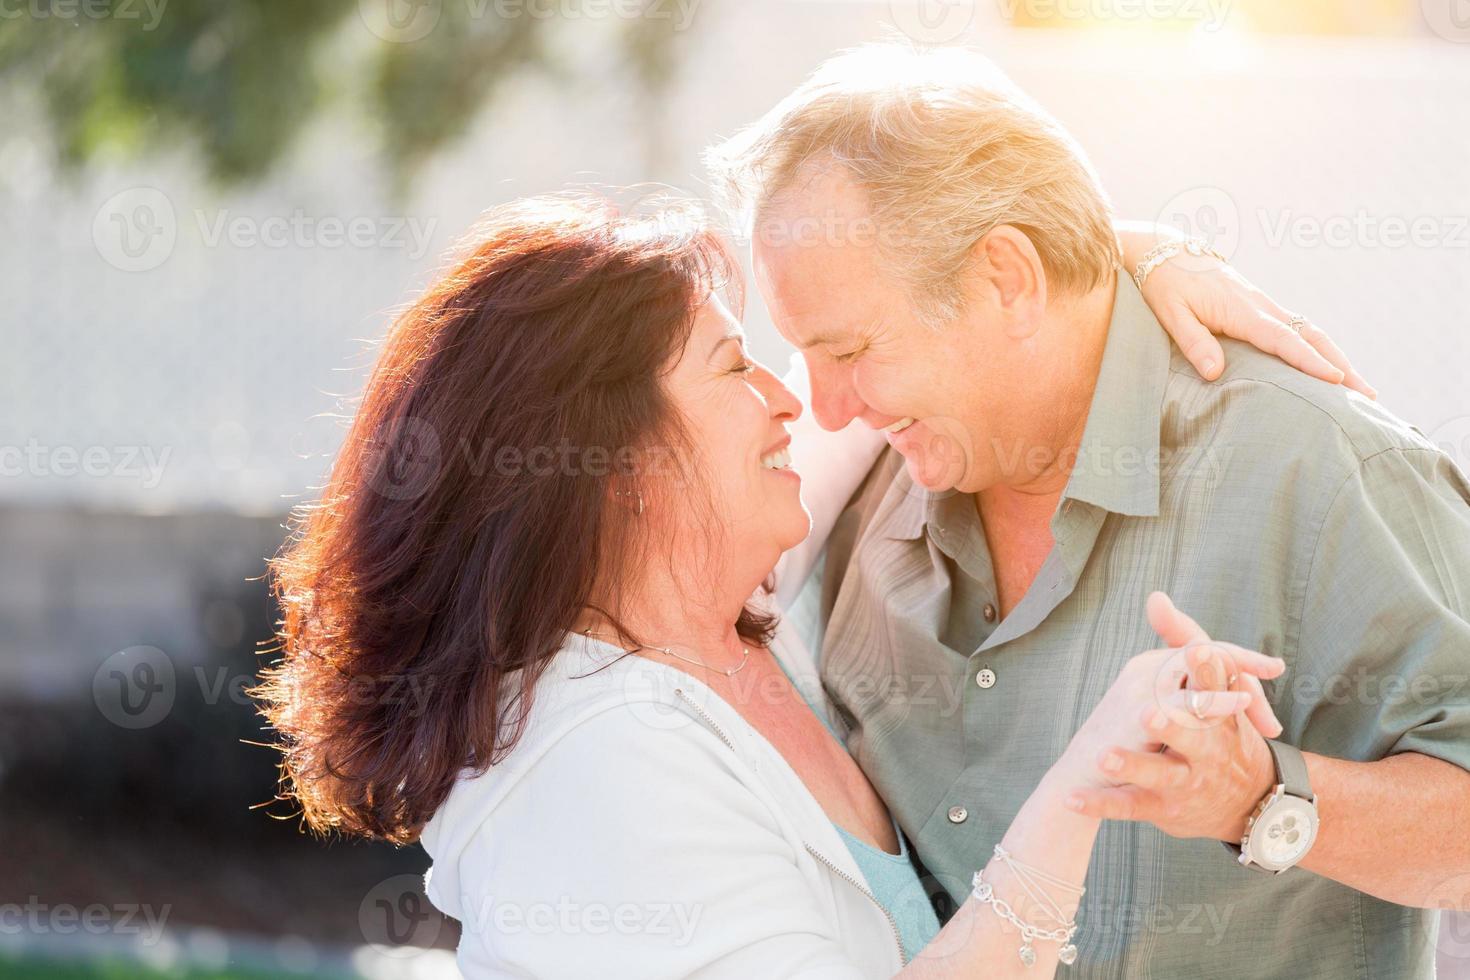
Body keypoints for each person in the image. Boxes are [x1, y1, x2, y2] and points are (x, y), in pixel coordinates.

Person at [256, 187, 1365, 977]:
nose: (796, 403)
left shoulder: (723, 609)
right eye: (736, 370)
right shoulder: (595, 761)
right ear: (618, 461)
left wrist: (1131, 261)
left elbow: (938, 324)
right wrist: (1086, 781)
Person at [706, 41, 1470, 978]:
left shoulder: (1312, 468)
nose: (822, 408)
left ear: (1005, 278)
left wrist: (1261, 798)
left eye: (852, 348)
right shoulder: (861, 473)